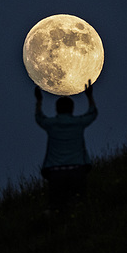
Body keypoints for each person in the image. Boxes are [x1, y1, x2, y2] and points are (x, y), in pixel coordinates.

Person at [35, 80, 98, 213]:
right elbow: (92, 113)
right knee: (79, 205)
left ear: (57, 109)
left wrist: (39, 101)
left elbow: (39, 117)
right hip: (77, 170)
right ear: (72, 109)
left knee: (57, 207)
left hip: (55, 172)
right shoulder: (78, 123)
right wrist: (89, 96)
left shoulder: (51, 124)